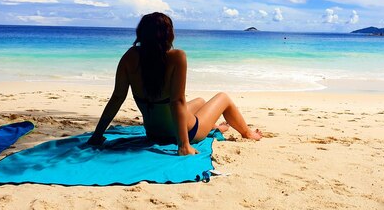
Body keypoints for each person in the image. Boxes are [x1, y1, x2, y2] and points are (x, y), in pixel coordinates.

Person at [88, 12, 262, 155]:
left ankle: (214, 126)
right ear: (169, 34)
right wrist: (184, 145)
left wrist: (97, 135)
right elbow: (176, 101)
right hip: (186, 134)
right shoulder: (176, 56)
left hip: (154, 133)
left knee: (201, 101)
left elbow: (117, 97)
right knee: (223, 97)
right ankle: (247, 132)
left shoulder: (130, 56)